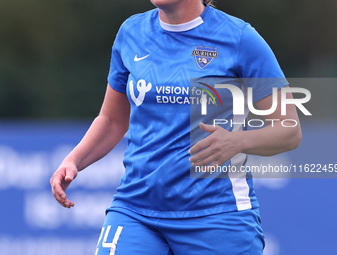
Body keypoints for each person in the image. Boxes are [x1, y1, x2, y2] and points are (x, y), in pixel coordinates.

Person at [50, 0, 302, 254]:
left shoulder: (239, 38)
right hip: (135, 210)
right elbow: (113, 120)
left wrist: (237, 141)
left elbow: (289, 130)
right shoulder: (131, 32)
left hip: (217, 215)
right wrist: (73, 161)